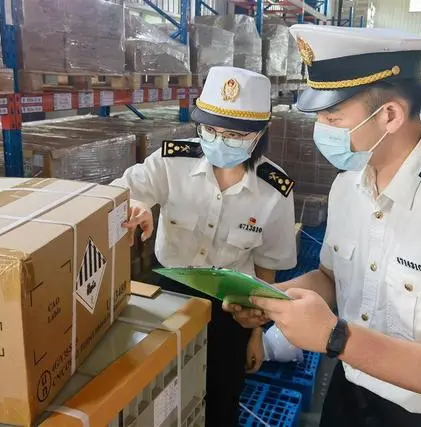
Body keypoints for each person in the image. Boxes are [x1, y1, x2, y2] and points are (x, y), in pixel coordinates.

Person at [226, 25, 421, 427]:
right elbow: (332, 278)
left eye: (332, 117)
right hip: (353, 387)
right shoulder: (349, 185)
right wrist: (271, 299)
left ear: (389, 115)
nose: (320, 130)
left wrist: (333, 337)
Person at [113, 66, 298, 426]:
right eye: (209, 130)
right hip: (169, 294)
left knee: (221, 396)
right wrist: (136, 205)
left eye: (233, 135)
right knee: (158, 390)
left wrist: (256, 333)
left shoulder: (274, 189)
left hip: (231, 305)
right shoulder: (172, 161)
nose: (218, 141)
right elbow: (122, 191)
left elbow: (267, 265)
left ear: (260, 134)